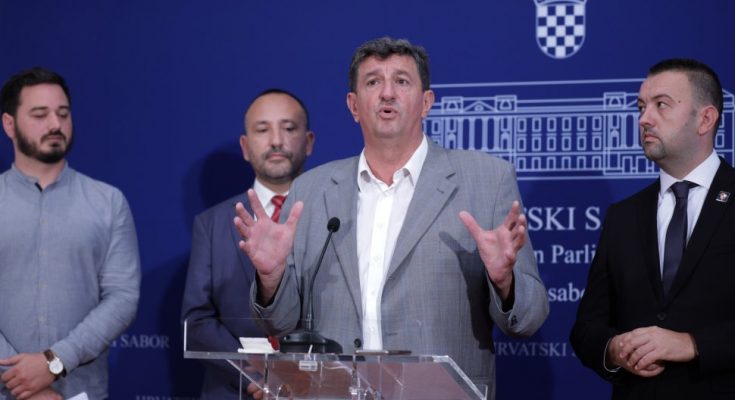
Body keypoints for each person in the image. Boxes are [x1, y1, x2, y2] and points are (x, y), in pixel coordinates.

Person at [234, 37, 548, 400]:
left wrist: (505, 282)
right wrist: (272, 280)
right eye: (373, 82)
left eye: (401, 81)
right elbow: (280, 323)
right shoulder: (312, 190)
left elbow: (529, 318)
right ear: (353, 106)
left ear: (426, 102)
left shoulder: (486, 181)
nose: (387, 93)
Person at [570, 59, 735, 399]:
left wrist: (693, 343)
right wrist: (614, 349)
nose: (644, 119)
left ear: (705, 119)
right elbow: (587, 328)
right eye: (641, 107)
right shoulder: (623, 216)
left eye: (661, 105)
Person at [0, 67, 140, 399]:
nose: (55, 124)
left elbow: (122, 298)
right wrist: (18, 378)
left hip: (80, 392)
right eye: (40, 115)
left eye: (63, 114)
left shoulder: (108, 202)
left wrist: (54, 362)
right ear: (9, 124)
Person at [181, 89, 315, 399]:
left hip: (318, 390)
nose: (276, 140)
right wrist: (256, 374)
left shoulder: (336, 216)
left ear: (309, 141)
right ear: (245, 146)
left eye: (289, 128)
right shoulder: (211, 224)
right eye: (263, 129)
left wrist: (307, 375)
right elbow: (198, 322)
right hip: (236, 390)